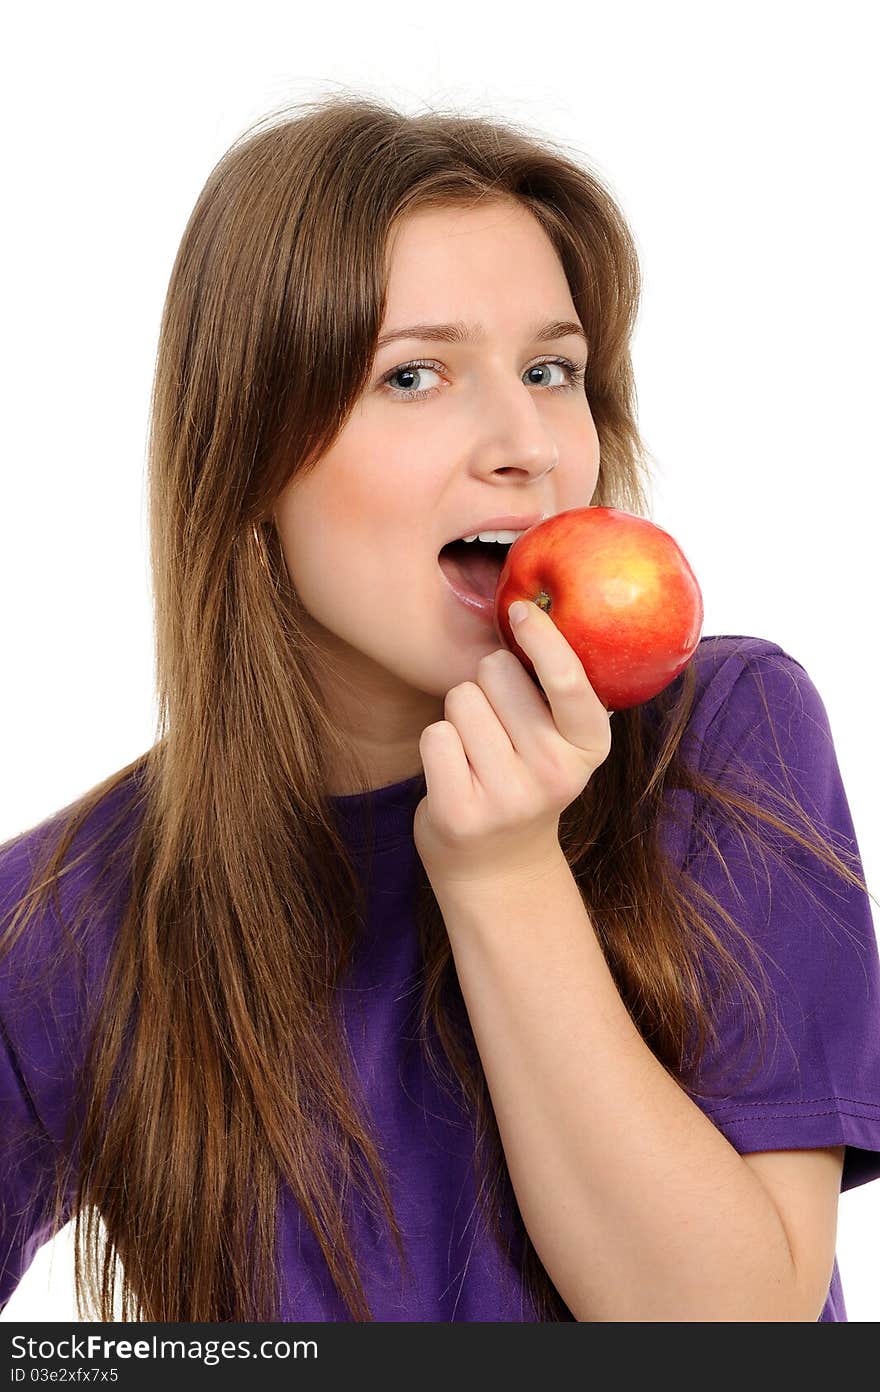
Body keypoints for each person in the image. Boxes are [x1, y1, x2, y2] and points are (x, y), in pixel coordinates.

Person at [2, 93, 879, 1325]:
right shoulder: (65, 914)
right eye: (414, 375)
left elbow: (732, 1330)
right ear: (249, 457)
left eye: (550, 370)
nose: (525, 442)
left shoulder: (722, 736)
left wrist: (504, 877)